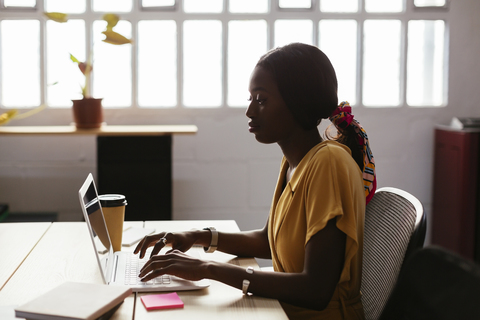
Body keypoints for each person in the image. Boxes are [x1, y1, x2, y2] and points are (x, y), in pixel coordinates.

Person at [134, 42, 376, 320]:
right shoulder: (296, 161)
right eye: (250, 98)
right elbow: (267, 241)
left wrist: (206, 268)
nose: (250, 111)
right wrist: (196, 236)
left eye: (261, 99)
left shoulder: (328, 163)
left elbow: (316, 290)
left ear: (297, 101)